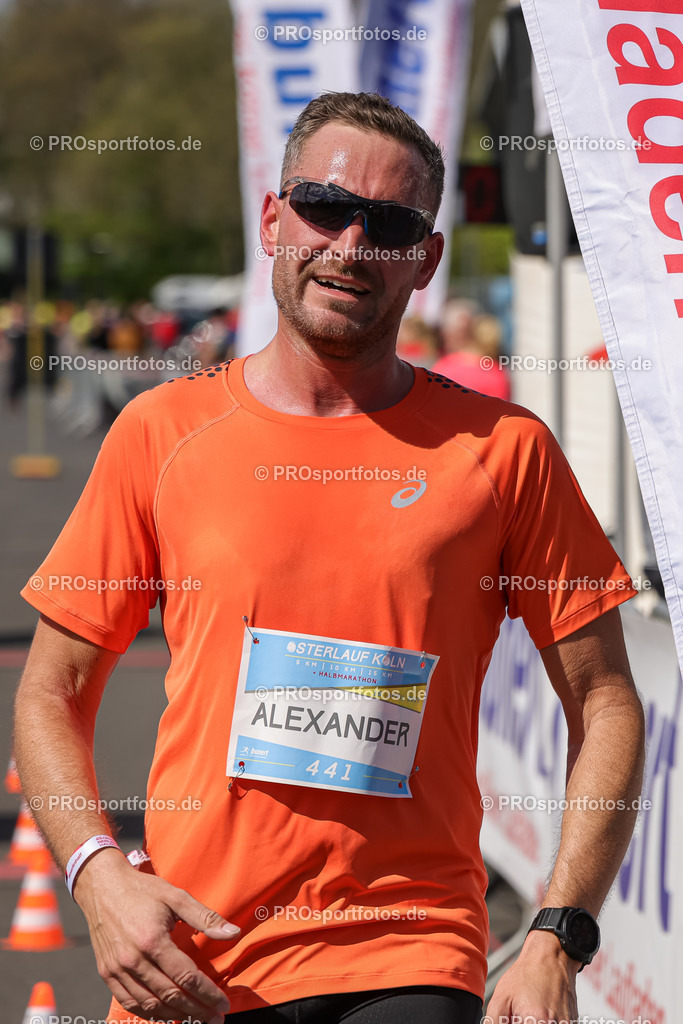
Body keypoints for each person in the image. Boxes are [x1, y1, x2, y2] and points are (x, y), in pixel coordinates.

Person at [14, 92, 644, 1024]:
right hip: (192, 953)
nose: (351, 245)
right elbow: (49, 690)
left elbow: (604, 699)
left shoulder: (502, 450)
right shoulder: (163, 433)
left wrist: (556, 934)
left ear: (425, 259)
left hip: (409, 946)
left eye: (390, 224)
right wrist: (99, 876)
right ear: (274, 219)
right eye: (323, 206)